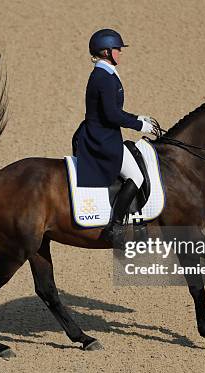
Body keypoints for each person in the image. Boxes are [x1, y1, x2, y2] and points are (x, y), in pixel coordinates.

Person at [72, 28, 159, 247]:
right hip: (101, 139)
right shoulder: (103, 78)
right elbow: (112, 115)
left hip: (105, 133)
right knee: (136, 177)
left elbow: (113, 110)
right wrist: (140, 125)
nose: (120, 52)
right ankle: (116, 226)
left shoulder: (106, 74)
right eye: (117, 48)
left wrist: (138, 116)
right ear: (106, 51)